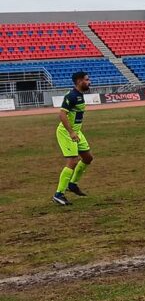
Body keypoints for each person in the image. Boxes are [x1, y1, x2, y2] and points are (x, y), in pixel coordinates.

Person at [52, 71, 94, 206]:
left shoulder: (80, 95)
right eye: (87, 80)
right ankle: (58, 194)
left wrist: (75, 131)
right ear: (79, 81)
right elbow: (62, 114)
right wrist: (71, 132)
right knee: (73, 160)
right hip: (66, 132)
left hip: (76, 132)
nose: (89, 82)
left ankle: (72, 184)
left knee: (88, 158)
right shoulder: (72, 96)